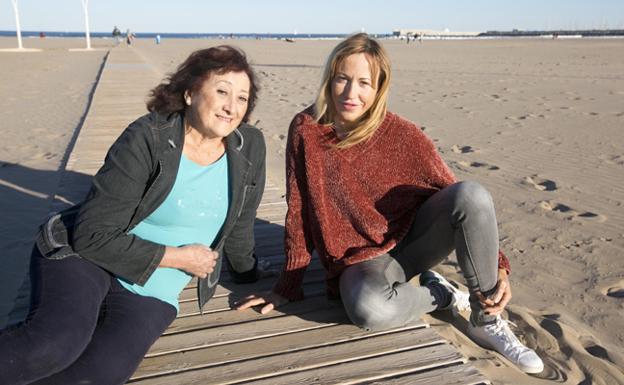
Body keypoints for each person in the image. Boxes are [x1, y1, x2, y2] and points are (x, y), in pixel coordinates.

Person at [237, 33, 544, 374]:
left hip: (414, 244)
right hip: (359, 262)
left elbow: (458, 197)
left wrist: (499, 266)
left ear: (379, 88)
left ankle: (485, 318)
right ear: (330, 78)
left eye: (364, 83)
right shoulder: (306, 129)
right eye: (342, 78)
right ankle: (441, 295)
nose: (351, 93)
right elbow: (298, 211)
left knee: (472, 194)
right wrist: (287, 286)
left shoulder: (401, 134)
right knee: (367, 308)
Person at [0, 45, 266, 384]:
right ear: (189, 92)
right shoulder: (148, 138)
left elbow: (241, 221)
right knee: (54, 345)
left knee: (98, 375)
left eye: (242, 98)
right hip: (88, 257)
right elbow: (92, 234)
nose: (232, 107)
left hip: (153, 289)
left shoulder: (250, 146)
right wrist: (178, 258)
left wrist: (250, 274)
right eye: (222, 91)